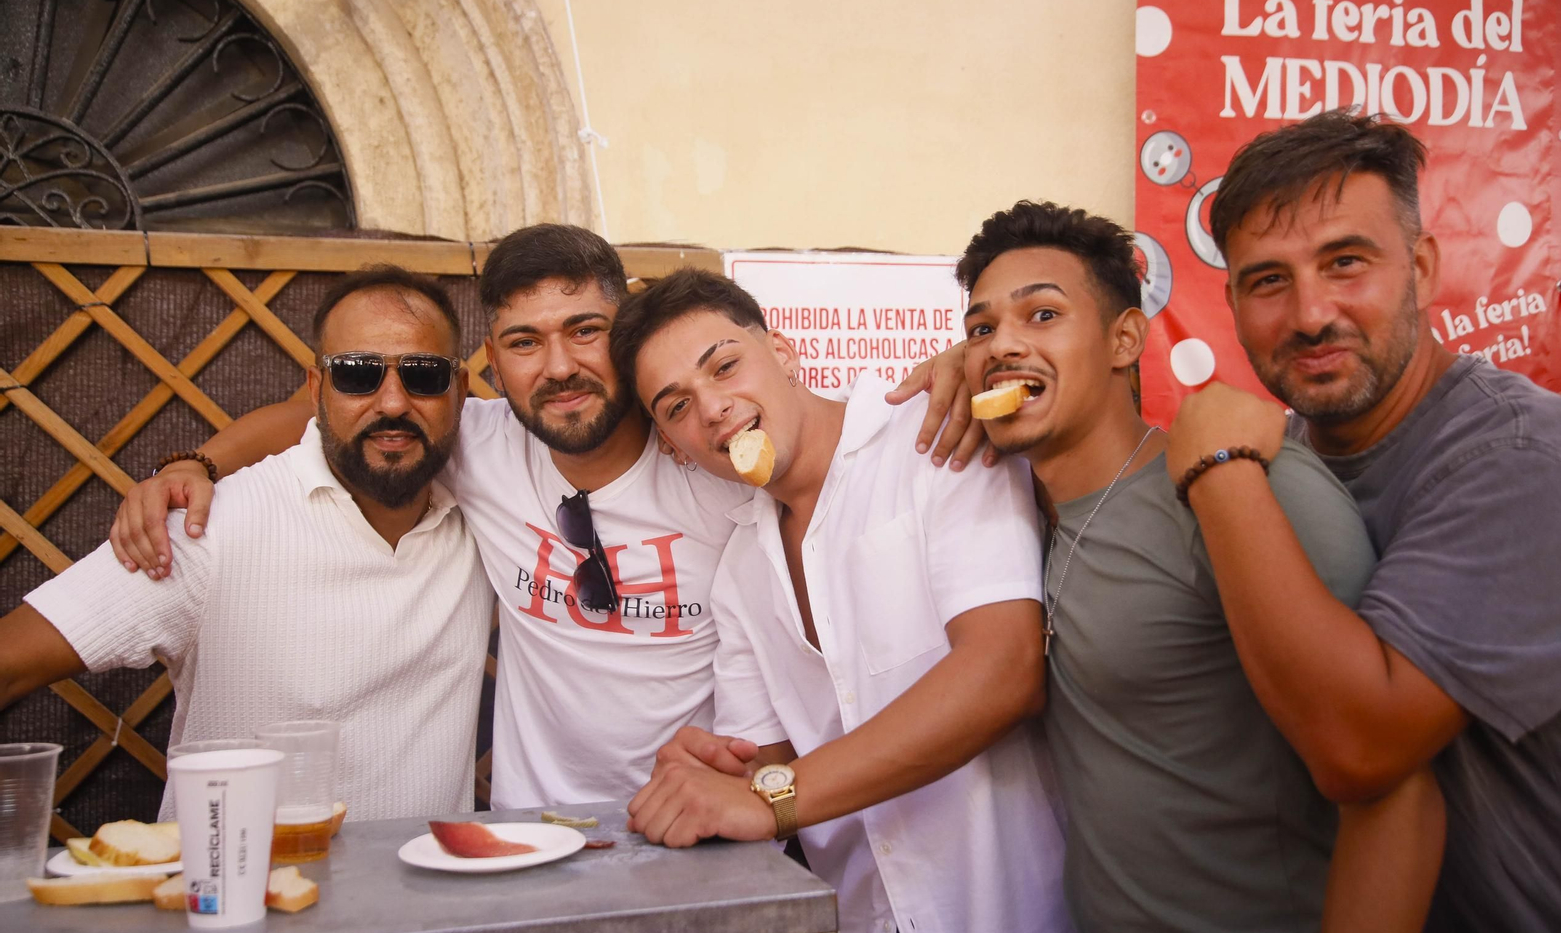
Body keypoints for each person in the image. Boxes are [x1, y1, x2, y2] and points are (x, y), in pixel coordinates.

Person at [107, 225, 981, 810]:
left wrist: (953, 374)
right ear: (490, 362)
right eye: (524, 342)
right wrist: (193, 463)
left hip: (707, 821)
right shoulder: (474, 441)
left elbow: (814, 428)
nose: (557, 366)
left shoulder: (715, 459)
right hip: (532, 836)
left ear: (626, 330)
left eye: (585, 329)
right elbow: (314, 417)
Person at [957, 200, 1442, 933]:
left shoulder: (1245, 486)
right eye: (980, 331)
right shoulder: (999, 512)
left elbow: (1399, 794)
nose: (1003, 344)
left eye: (1043, 313)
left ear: (1124, 340)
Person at [1166, 108, 1561, 933]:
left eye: (1346, 262)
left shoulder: (1530, 458)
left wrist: (1216, 467)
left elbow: (1358, 746)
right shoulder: (1283, 458)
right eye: (1267, 281)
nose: (1311, 313)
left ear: (1425, 268)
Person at [612, 269, 1070, 933]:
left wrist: (773, 799)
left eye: (724, 365)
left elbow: (1005, 671)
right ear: (673, 445)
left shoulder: (932, 440)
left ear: (785, 353)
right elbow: (772, 767)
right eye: (678, 407)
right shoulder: (738, 571)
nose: (715, 408)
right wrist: (714, 775)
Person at [0, 267, 494, 821]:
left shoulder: (490, 509)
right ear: (316, 389)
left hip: (431, 899)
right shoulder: (211, 529)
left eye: (424, 376)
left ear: (460, 392)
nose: (394, 402)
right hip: (238, 895)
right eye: (357, 374)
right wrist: (198, 464)